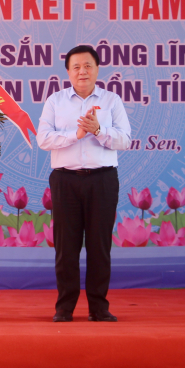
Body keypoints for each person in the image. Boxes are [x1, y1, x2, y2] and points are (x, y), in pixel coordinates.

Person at [37, 45, 132, 323]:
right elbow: (43, 139)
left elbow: (125, 140)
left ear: (97, 69)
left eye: (88, 66)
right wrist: (76, 134)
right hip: (65, 180)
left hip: (102, 179)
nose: (82, 71)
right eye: (76, 66)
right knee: (66, 247)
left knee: (99, 245)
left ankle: (99, 308)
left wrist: (99, 131)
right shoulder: (55, 101)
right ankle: (64, 308)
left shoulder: (112, 100)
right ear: (68, 72)